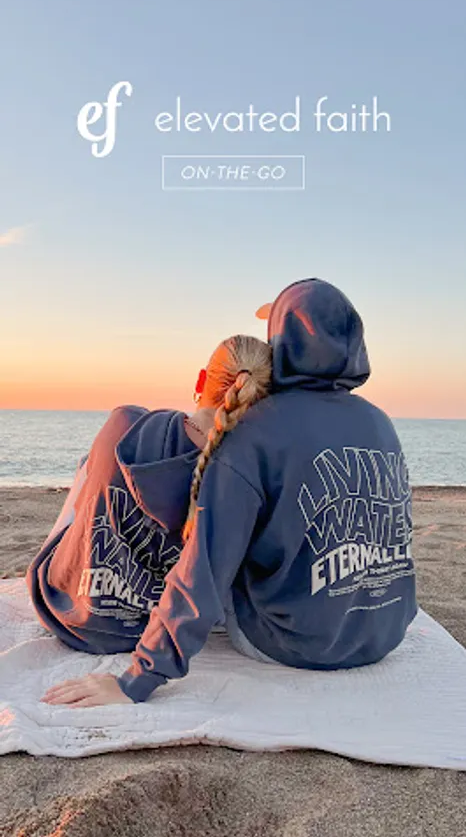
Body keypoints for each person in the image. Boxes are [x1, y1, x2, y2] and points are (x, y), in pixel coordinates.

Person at [42, 279, 417, 708]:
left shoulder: (255, 432)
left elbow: (202, 573)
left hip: (294, 643)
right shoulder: (381, 423)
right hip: (385, 633)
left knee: (221, 542)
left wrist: (136, 681)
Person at [28, 334, 272, 677]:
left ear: (201, 381)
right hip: (155, 628)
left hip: (67, 612)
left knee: (90, 464)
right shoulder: (241, 473)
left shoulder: (126, 422)